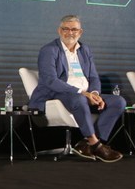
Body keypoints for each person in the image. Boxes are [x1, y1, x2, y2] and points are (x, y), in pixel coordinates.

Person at [29, 15, 124, 162]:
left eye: (74, 29)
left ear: (80, 32)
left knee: (118, 102)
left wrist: (94, 93)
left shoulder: (85, 50)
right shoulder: (49, 50)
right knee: (79, 99)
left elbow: (93, 77)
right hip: (58, 93)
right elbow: (50, 80)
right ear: (59, 31)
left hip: (84, 94)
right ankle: (96, 145)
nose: (70, 33)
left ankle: (87, 145)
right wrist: (83, 93)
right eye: (65, 29)